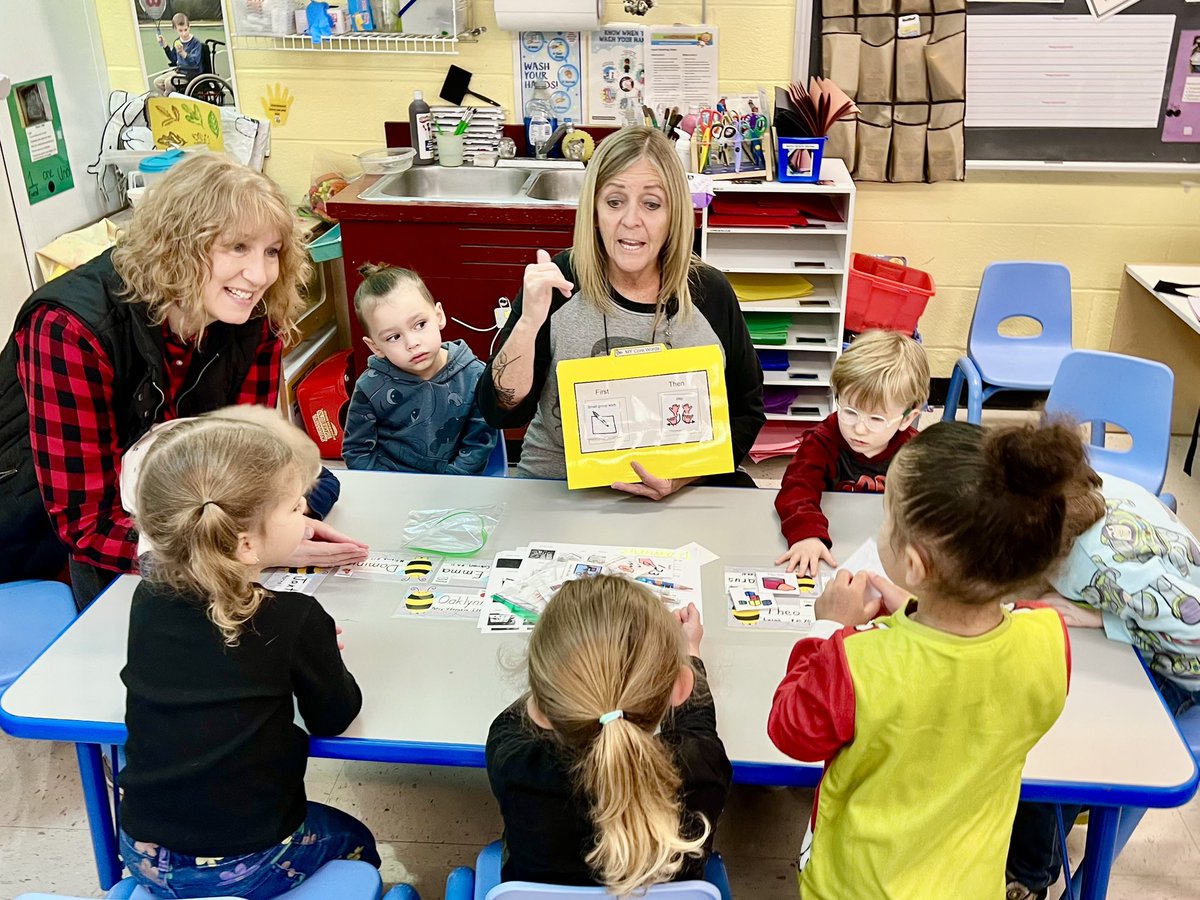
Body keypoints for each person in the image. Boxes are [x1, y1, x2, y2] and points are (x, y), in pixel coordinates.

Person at [0, 153, 368, 609]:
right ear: (179, 246)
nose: (259, 275)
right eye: (237, 247)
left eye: (272, 251)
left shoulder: (256, 311)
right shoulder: (68, 329)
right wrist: (250, 547)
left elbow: (252, 465)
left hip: (180, 524)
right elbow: (88, 526)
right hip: (45, 539)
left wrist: (280, 521)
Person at [768, 420, 1079, 899]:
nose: (883, 529)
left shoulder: (855, 662)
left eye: (888, 520)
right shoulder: (1049, 636)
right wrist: (919, 609)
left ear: (914, 565)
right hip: (972, 883)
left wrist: (828, 627)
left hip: (861, 885)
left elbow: (790, 730)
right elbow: (978, 651)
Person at [119, 415, 379, 899]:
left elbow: (208, 664)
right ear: (244, 544)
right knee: (354, 838)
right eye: (295, 507)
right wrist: (318, 652)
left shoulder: (147, 596)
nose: (306, 513)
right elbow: (334, 719)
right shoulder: (295, 617)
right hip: (246, 859)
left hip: (140, 853)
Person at [476, 126, 764, 499]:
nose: (631, 220)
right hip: (561, 486)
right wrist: (529, 324)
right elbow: (501, 412)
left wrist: (682, 479)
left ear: (674, 214)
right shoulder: (560, 282)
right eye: (614, 202)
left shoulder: (709, 292)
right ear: (595, 211)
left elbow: (746, 411)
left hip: (679, 493)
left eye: (652, 204)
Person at [1005, 466, 1200, 900]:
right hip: (1148, 610)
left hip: (1182, 668)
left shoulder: (1106, 568)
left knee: (1055, 742)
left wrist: (1104, 618)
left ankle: (1028, 876)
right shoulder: (1075, 493)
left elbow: (1194, 634)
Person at [486, 575, 731, 893]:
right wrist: (689, 654)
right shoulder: (700, 770)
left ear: (544, 705)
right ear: (682, 685)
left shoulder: (515, 761)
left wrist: (572, 676)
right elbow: (698, 727)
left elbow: (520, 717)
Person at [774, 329, 929, 575]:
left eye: (876, 419)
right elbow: (797, 488)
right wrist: (807, 534)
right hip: (836, 542)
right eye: (849, 412)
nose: (859, 429)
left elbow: (933, 504)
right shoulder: (822, 442)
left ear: (906, 419)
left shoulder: (917, 453)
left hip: (889, 548)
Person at [341, 263, 496, 473]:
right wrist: (386, 485)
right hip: (392, 484)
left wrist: (450, 483)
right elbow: (357, 451)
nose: (412, 343)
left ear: (439, 315)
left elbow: (479, 443)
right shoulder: (370, 386)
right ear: (375, 346)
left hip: (455, 482)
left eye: (420, 324)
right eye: (394, 337)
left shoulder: (475, 375)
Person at [154, 13, 204, 95]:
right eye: (180, 30)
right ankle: (170, 97)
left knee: (168, 82)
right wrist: (165, 45)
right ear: (175, 29)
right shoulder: (177, 41)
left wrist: (183, 53)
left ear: (189, 27)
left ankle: (169, 98)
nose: (184, 33)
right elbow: (174, 59)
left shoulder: (196, 43)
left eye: (186, 29)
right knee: (157, 82)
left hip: (191, 74)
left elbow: (195, 63)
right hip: (179, 71)